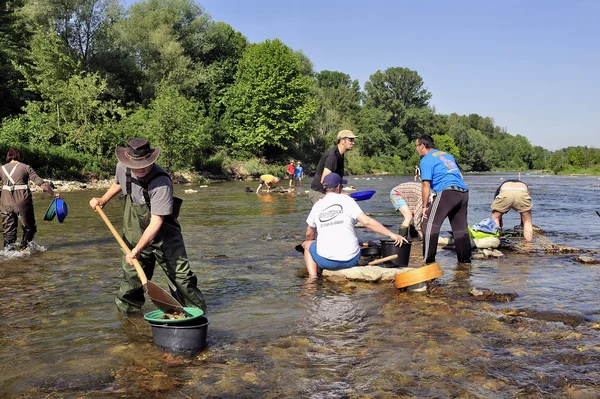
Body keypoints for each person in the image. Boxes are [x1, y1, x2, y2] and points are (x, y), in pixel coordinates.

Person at [89, 138, 206, 313]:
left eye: (145, 163)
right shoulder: (122, 167)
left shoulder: (161, 182)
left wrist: (136, 250)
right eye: (136, 165)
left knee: (182, 278)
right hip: (134, 229)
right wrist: (103, 199)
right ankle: (130, 323)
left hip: (164, 236)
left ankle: (197, 316)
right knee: (132, 279)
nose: (141, 168)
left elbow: (156, 222)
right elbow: (118, 183)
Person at [302, 173, 407, 277]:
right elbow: (367, 222)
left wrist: (316, 241)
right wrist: (392, 235)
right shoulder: (347, 200)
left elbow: (309, 234)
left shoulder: (317, 205)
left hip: (327, 262)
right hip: (351, 260)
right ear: (338, 187)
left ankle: (312, 279)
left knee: (307, 244)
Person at [416, 135, 471, 265]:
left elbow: (426, 184)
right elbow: (460, 175)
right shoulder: (447, 156)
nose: (416, 149)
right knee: (460, 229)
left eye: (416, 146)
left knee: (428, 223)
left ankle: (428, 261)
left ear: (422, 146)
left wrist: (425, 206)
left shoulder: (426, 159)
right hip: (463, 192)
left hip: (447, 192)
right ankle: (465, 264)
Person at [0, 147, 59, 251]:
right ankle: (24, 250)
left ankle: (8, 254)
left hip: (4, 202)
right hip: (22, 201)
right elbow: (41, 183)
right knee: (29, 227)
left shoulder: (2, 168)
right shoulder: (25, 167)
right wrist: (53, 194)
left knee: (8, 230)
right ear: (19, 156)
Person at [309, 129, 356, 204]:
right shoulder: (332, 156)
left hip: (327, 192)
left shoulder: (340, 155)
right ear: (342, 141)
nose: (353, 143)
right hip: (319, 193)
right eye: (350, 140)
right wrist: (340, 195)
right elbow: (325, 181)